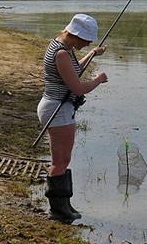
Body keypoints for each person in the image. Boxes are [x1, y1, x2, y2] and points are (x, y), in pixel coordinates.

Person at [38, 13, 108, 221]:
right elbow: (78, 88)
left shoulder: (62, 47)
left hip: (55, 107)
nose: (88, 44)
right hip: (57, 109)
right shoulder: (61, 53)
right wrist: (98, 80)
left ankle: (64, 205)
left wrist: (92, 55)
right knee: (60, 161)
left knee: (62, 160)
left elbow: (73, 70)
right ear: (77, 35)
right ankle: (58, 210)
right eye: (87, 41)